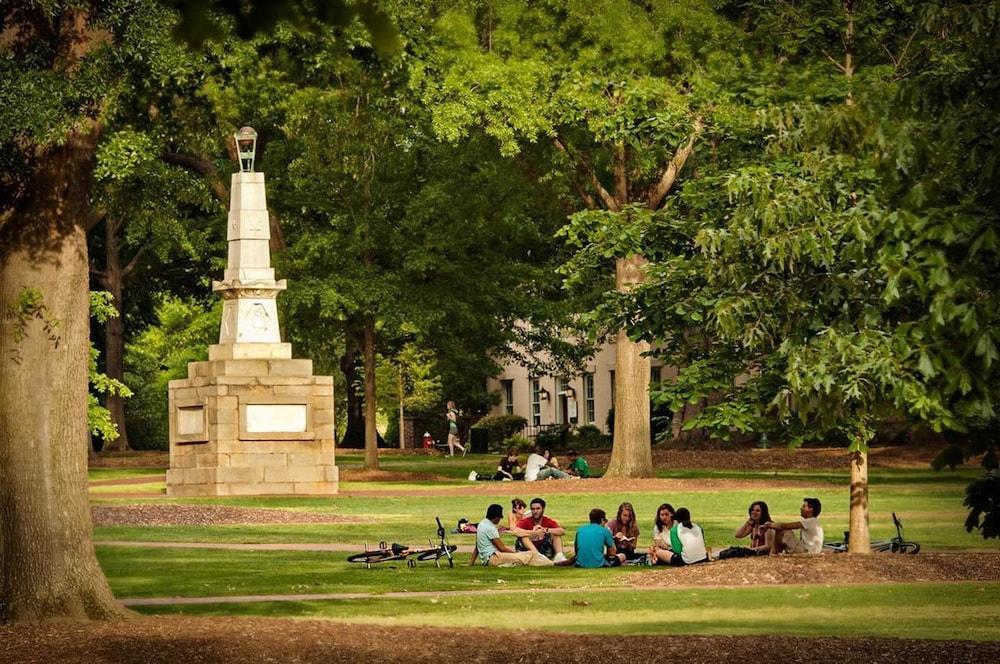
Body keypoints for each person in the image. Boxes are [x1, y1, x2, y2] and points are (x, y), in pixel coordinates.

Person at [472, 504, 553, 567]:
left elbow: (477, 546)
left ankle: (551, 563)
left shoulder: (482, 524)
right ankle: (553, 564)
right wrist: (516, 553)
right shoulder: (490, 528)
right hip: (494, 558)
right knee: (530, 555)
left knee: (528, 555)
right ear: (496, 517)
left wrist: (471, 563)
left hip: (489, 559)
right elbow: (502, 548)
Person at [515, 497, 568, 562]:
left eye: (538, 509)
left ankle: (559, 556)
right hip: (528, 551)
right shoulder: (526, 521)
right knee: (523, 537)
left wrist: (545, 530)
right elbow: (515, 531)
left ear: (543, 509)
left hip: (544, 550)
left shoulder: (547, 521)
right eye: (533, 509)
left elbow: (561, 531)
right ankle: (538, 556)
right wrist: (534, 533)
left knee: (555, 534)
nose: (535, 511)